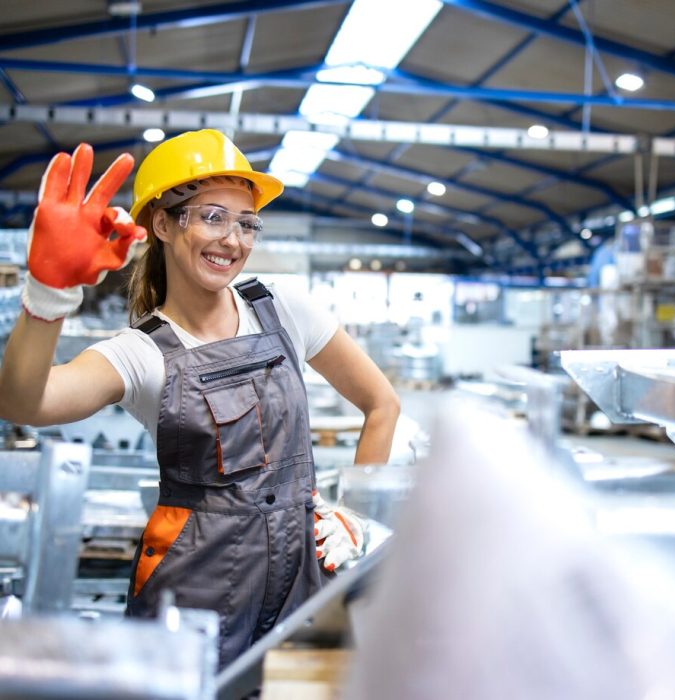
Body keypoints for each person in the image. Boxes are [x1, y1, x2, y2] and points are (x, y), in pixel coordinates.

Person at [0, 129, 401, 669]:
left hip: (303, 578)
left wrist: (355, 515)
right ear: (162, 224)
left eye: (246, 222)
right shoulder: (142, 353)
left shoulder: (284, 310)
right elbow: (27, 404)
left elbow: (382, 404)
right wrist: (48, 296)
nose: (233, 240)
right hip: (195, 595)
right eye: (213, 216)